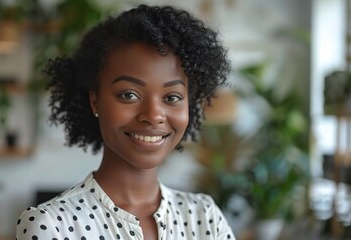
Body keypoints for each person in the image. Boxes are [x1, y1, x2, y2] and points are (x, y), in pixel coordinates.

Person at [16, 4, 235, 240]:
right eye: (128, 94)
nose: (153, 115)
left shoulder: (205, 217)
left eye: (172, 97)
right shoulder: (50, 225)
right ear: (95, 101)